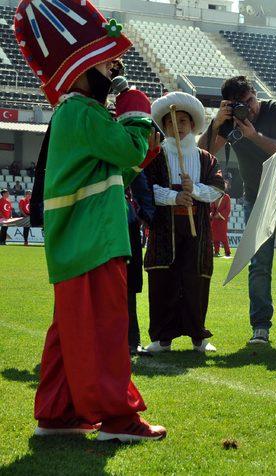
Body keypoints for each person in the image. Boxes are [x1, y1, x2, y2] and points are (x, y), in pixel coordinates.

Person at [15, 0, 166, 441]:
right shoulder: (83, 110)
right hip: (95, 240)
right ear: (83, 67)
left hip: (76, 243)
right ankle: (119, 420)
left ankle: (58, 414)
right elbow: (125, 150)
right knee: (103, 329)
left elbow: (112, 169)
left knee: (70, 333)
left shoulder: (73, 113)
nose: (115, 72)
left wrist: (140, 150)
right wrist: (137, 110)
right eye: (109, 63)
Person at [198, 76, 276, 345]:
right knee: (259, 265)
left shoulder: (274, 110)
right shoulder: (228, 122)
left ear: (256, 93)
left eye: (251, 101)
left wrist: (253, 135)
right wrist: (217, 123)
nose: (249, 109)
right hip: (255, 200)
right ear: (229, 105)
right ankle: (260, 327)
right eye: (241, 105)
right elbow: (203, 153)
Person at [144, 92, 225, 353]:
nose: (176, 126)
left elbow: (217, 188)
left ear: (191, 124)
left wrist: (195, 190)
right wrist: (175, 196)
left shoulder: (205, 158)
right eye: (169, 122)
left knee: (195, 281)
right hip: (164, 230)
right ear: (164, 127)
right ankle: (161, 338)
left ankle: (198, 336)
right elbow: (147, 189)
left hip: (196, 232)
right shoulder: (155, 156)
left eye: (182, 120)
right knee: (162, 281)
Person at [126, 173, 156, 355]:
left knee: (130, 282)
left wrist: (146, 213)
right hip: (92, 214)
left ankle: (132, 339)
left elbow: (136, 174)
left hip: (126, 219)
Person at [211, 186, 232, 258]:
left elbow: (228, 209)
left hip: (222, 219)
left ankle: (227, 252)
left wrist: (220, 215)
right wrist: (212, 213)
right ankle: (216, 251)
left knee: (223, 236)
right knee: (214, 236)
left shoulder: (227, 197)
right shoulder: (215, 197)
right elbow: (212, 207)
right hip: (215, 219)